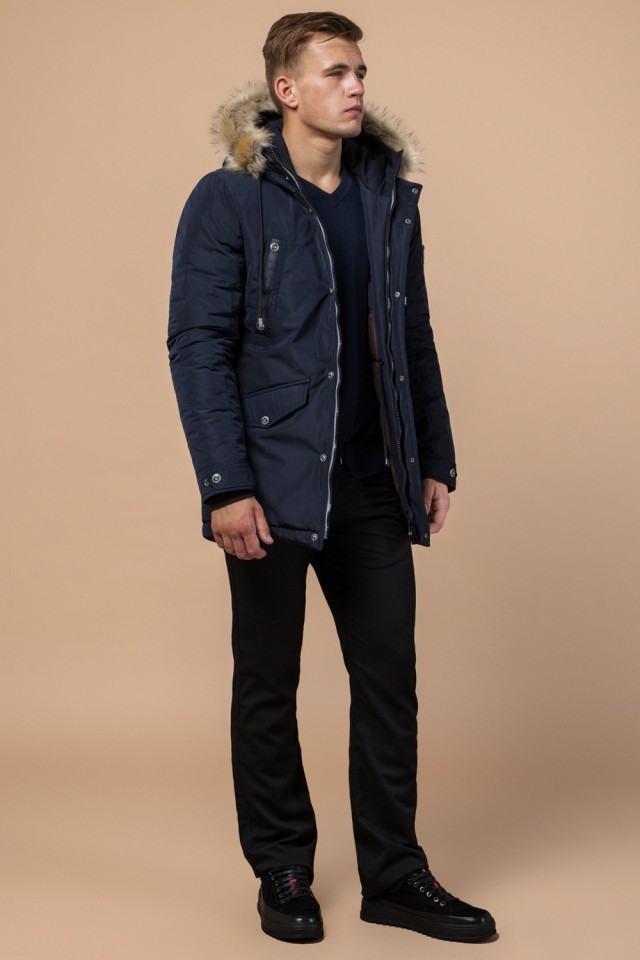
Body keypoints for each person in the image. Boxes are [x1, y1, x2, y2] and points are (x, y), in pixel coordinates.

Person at [167, 10, 496, 945]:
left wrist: (431, 457)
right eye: (336, 72)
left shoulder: (388, 194)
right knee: (268, 682)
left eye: (360, 72)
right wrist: (225, 484)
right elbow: (198, 346)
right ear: (287, 90)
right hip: (269, 485)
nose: (355, 87)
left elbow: (412, 335)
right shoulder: (228, 199)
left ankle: (394, 873)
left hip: (372, 481)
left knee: (389, 679)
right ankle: (282, 868)